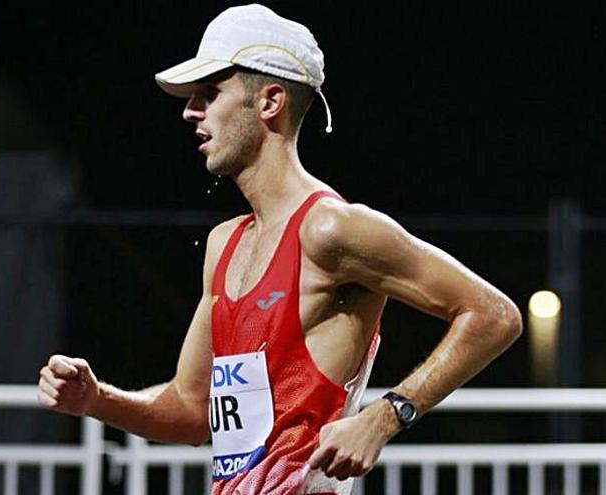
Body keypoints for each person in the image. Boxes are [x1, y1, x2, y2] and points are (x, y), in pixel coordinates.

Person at [37, 4, 522, 494]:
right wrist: (97, 400)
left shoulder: (330, 229)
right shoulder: (225, 245)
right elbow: (191, 408)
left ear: (270, 102)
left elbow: (493, 315)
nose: (190, 111)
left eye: (210, 93)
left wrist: (384, 416)